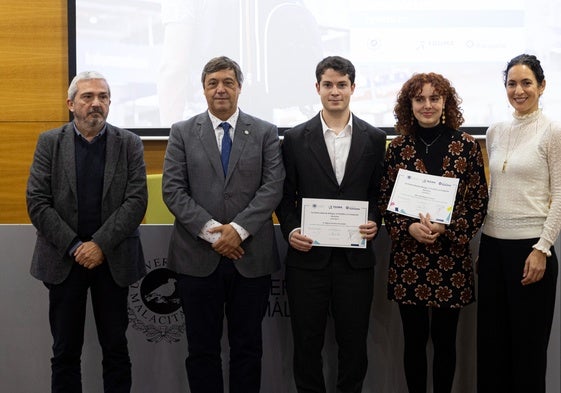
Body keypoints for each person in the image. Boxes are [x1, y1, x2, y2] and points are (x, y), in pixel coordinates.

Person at [162, 56, 285, 393]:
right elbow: (172, 190)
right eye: (213, 82)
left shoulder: (264, 132)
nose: (220, 89)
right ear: (202, 89)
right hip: (196, 258)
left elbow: (273, 186)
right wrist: (214, 232)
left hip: (251, 257)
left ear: (239, 88)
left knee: (248, 349)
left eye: (228, 82)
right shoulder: (182, 132)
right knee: (201, 350)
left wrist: (238, 230)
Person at [26, 71, 148, 392]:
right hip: (64, 262)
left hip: (113, 261)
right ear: (70, 103)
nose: (96, 103)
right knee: (65, 353)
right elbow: (37, 202)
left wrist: (99, 246)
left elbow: (136, 202)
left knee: (116, 351)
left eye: (103, 97)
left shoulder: (129, 144)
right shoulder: (49, 143)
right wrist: (75, 246)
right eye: (88, 97)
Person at [275, 55, 387, 393]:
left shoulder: (375, 138)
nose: (334, 91)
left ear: (353, 88)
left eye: (341, 85)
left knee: (353, 345)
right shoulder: (294, 138)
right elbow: (285, 194)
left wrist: (373, 221)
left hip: (355, 261)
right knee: (306, 345)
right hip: (308, 260)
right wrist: (291, 229)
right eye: (328, 85)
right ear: (317, 88)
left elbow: (378, 193)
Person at [378, 73, 488, 393]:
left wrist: (448, 227)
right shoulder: (397, 149)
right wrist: (407, 227)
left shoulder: (466, 146)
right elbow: (385, 201)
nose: (427, 105)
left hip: (450, 258)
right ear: (408, 105)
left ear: (445, 103)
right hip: (409, 259)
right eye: (419, 99)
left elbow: (479, 202)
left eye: (434, 98)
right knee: (413, 341)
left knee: (445, 342)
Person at [477, 54, 561, 393]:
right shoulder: (496, 130)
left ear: (541, 86)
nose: (519, 90)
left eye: (527, 83)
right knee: (492, 349)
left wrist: (543, 248)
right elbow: (495, 189)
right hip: (493, 248)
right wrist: (486, 244)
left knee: (527, 351)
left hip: (531, 250)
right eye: (512, 83)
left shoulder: (553, 131)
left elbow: (560, 195)